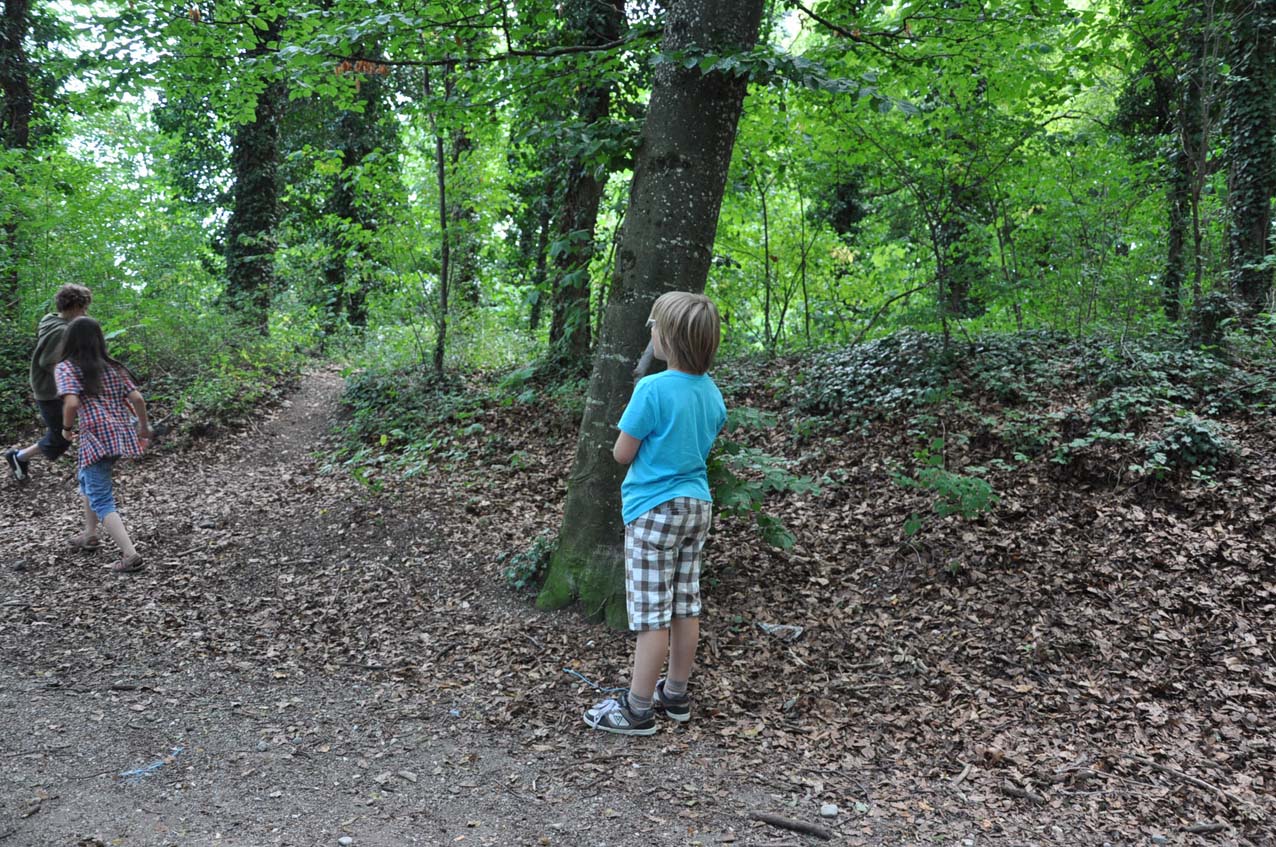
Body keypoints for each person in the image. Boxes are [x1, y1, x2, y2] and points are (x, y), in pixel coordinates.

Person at [583, 291, 727, 735]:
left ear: (669, 338)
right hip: (696, 506)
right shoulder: (712, 393)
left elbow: (622, 453)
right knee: (685, 605)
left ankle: (637, 708)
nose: (650, 334)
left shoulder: (652, 388)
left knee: (651, 615)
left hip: (653, 509)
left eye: (654, 327)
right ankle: (676, 694)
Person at [54, 316, 152, 573]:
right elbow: (138, 399)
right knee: (86, 478)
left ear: (70, 341)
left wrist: (66, 429)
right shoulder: (113, 367)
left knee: (101, 499)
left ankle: (130, 555)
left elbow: (72, 403)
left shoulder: (66, 367)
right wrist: (143, 427)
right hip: (119, 434)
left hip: (97, 437)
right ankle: (90, 534)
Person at [5, 284, 93, 482]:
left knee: (65, 430)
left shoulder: (51, 319)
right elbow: (50, 362)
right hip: (50, 390)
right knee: (61, 436)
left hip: (51, 387)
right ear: (74, 307)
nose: (85, 312)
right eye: (83, 308)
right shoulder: (61, 331)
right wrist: (70, 388)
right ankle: (19, 457)